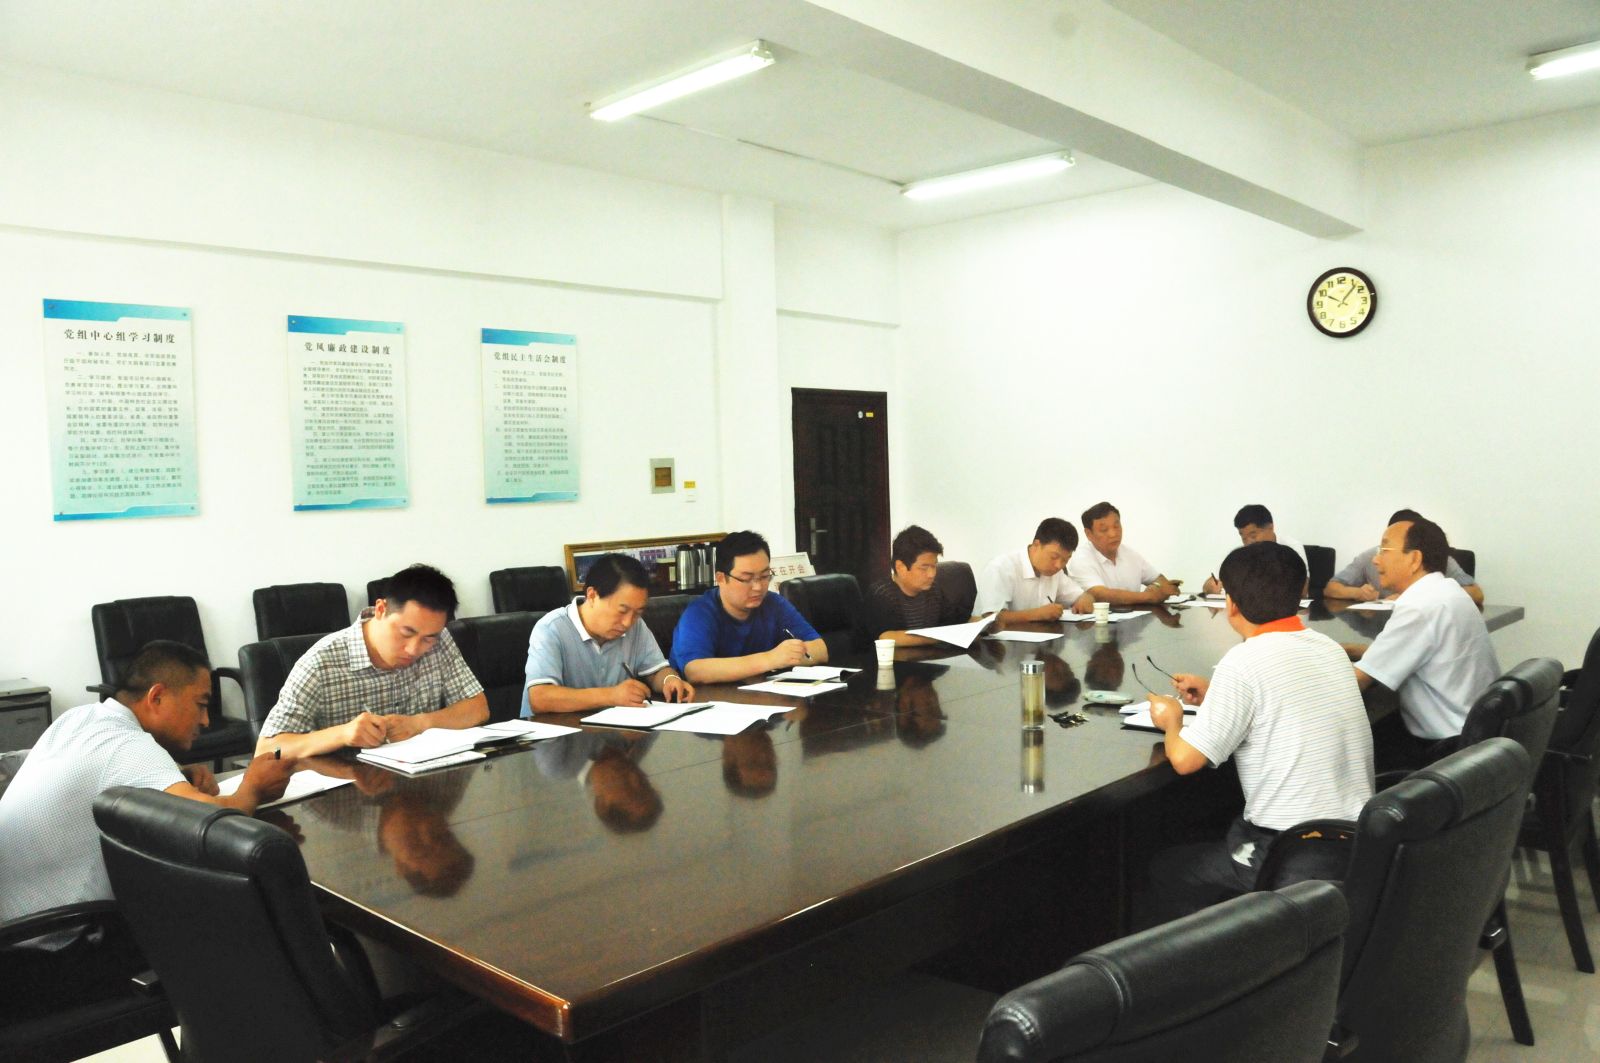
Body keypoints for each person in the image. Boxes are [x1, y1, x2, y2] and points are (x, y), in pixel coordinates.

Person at [0, 641, 293, 1014]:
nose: (206, 720)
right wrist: (252, 788)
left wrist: (174, 775)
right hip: (46, 958)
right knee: (229, 922)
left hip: (12, 937)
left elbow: (91, 776)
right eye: (201, 704)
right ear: (157, 697)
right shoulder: (127, 745)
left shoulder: (81, 718)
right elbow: (216, 825)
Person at [1146, 543, 1374, 919]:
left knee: (1168, 870)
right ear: (1301, 593)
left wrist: (1172, 721)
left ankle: (1221, 949)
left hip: (1290, 852)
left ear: (1231, 604)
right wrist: (1217, 694)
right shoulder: (1329, 648)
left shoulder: (1243, 661)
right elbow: (1287, 700)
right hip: (1355, 840)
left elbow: (1185, 760)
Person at [258, 563, 488, 758]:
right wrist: (342, 734)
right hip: (348, 789)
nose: (414, 649)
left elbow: (477, 709)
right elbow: (266, 750)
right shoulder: (321, 663)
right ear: (380, 609)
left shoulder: (440, 639)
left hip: (423, 782)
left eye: (428, 638)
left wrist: (419, 724)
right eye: (406, 632)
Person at [1344, 516, 1500, 770]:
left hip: (1447, 749)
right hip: (1477, 729)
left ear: (1414, 559)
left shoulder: (1419, 608)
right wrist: (1352, 649)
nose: (1375, 559)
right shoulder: (1447, 591)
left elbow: (1358, 680)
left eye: (1384, 549)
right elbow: (1419, 651)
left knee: (1350, 749)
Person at [522, 552, 696, 715]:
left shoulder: (635, 626)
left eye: (637, 613)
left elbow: (655, 671)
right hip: (555, 733)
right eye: (622, 611)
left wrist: (670, 680)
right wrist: (611, 696)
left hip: (612, 730)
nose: (628, 622)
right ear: (592, 595)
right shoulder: (551, 629)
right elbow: (540, 698)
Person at [670, 530, 827, 683]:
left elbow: (820, 649)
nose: (758, 587)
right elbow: (695, 670)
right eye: (746, 579)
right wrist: (769, 660)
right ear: (721, 578)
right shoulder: (699, 613)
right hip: (710, 698)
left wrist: (788, 657)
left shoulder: (774, 604)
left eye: (764, 576)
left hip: (762, 694)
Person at [1324, 508, 1484, 606]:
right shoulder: (1371, 557)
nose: (1376, 560)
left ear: (1415, 558)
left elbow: (1476, 594)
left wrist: (1415, 597)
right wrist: (1358, 593)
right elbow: (1331, 588)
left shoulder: (1438, 559)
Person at [865, 525, 972, 645]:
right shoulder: (881, 594)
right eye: (924, 568)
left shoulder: (933, 590)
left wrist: (984, 623)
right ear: (900, 567)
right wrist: (941, 636)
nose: (932, 574)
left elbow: (955, 622)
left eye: (934, 566)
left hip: (930, 656)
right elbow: (887, 638)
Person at [975, 517, 1095, 622]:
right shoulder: (1000, 567)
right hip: (992, 639)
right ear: (1036, 545)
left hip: (1041, 638)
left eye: (1065, 560)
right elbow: (991, 618)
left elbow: (1082, 596)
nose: (1059, 565)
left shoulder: (1055, 572)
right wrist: (1037, 614)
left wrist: (1085, 600)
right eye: (1054, 557)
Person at [1067, 502, 1180, 606]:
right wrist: (1150, 596)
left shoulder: (1129, 553)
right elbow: (1100, 595)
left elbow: (1158, 579)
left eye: (1116, 526)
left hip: (1134, 619)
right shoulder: (1081, 559)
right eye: (1104, 529)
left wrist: (1156, 587)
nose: (1113, 534)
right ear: (1089, 534)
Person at [1200, 504, 1307, 597]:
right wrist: (1210, 588)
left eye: (1253, 536)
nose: (1248, 542)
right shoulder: (1242, 553)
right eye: (1243, 537)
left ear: (1271, 527)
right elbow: (1214, 583)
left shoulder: (1292, 547)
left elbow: (1302, 590)